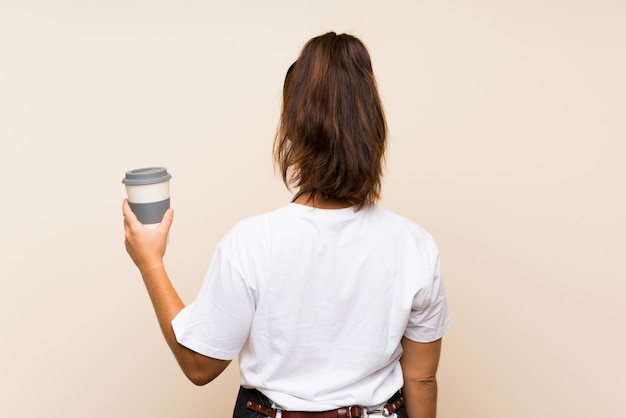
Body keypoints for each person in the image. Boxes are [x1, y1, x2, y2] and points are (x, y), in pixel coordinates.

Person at [123, 31, 451, 418]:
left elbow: (199, 365)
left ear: (293, 128)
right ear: (373, 128)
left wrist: (151, 263)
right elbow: (421, 379)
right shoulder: (415, 244)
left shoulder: (251, 242)